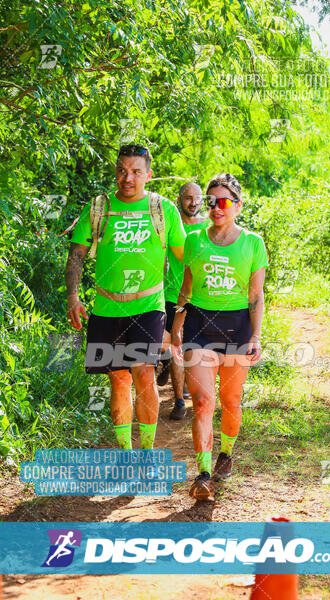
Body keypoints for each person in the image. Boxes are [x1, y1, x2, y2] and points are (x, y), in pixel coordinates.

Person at [65, 144, 185, 451]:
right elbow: (77, 253)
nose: (127, 177)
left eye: (135, 171)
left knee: (144, 374)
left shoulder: (163, 210)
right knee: (118, 380)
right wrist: (73, 298)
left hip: (148, 306)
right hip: (106, 307)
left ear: (148, 174)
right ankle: (126, 454)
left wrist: (183, 307)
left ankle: (146, 454)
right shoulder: (99, 207)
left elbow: (186, 260)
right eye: (121, 170)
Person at [171, 173, 267, 501]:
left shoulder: (253, 243)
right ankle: (203, 474)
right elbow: (187, 285)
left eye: (224, 201)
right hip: (199, 324)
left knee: (230, 401)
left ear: (238, 205)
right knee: (202, 402)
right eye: (211, 201)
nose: (216, 207)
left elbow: (256, 296)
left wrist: (255, 335)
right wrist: (176, 323)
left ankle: (226, 452)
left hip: (238, 327)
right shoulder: (195, 239)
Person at [159, 182, 209, 420]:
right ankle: (179, 400)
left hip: (202, 296)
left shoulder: (210, 226)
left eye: (197, 198)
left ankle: (197, 391)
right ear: (179, 200)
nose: (193, 202)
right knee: (176, 345)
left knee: (197, 347)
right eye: (188, 198)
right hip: (173, 295)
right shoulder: (170, 225)